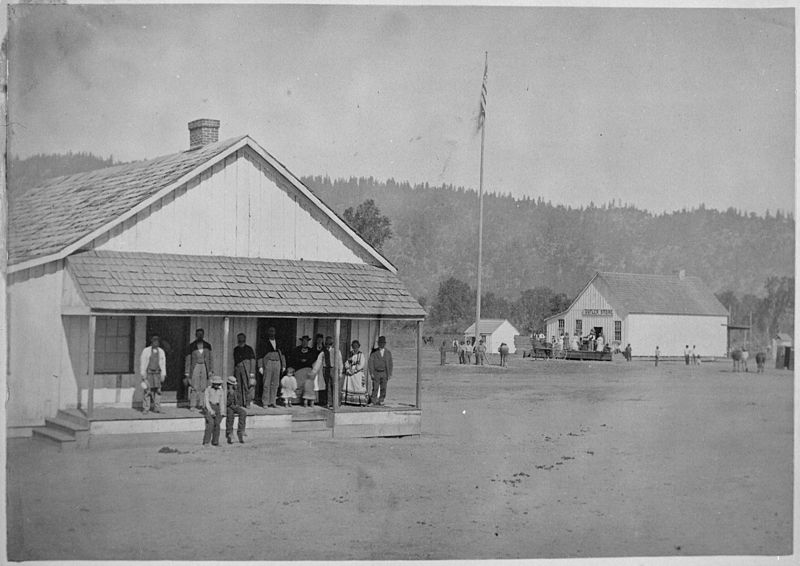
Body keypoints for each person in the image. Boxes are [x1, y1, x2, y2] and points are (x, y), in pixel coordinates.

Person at [185, 329, 214, 411]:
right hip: (195, 366)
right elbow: (188, 359)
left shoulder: (207, 345)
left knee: (203, 386)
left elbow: (210, 358)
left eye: (201, 334)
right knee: (194, 386)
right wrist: (187, 372)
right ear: (196, 335)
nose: (200, 336)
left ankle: (201, 404)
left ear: (203, 335)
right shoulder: (192, 346)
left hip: (205, 366)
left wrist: (211, 369)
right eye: (198, 334)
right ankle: (193, 405)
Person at [258, 327, 286, 408]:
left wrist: (283, 365)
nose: (272, 333)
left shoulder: (279, 342)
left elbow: (282, 354)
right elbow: (260, 355)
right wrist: (260, 366)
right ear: (268, 332)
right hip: (268, 363)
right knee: (267, 383)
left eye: (273, 331)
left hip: (277, 363)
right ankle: (265, 402)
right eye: (270, 331)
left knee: (275, 383)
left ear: (275, 332)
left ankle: (273, 401)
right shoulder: (264, 342)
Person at [312, 335, 342, 408]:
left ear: (332, 344)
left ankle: (336, 402)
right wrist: (314, 371)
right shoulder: (323, 352)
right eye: (327, 344)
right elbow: (319, 361)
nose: (328, 345)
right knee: (327, 386)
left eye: (330, 344)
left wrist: (340, 371)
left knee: (335, 386)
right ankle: (329, 402)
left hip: (334, 369)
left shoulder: (336, 351)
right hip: (326, 369)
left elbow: (340, 361)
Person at [140, 335, 167, 414]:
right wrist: (143, 374)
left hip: (157, 373)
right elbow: (143, 363)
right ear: (151, 342)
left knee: (158, 391)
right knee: (147, 391)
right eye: (154, 341)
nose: (156, 343)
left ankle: (157, 407)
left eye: (157, 341)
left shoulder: (161, 351)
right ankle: (146, 408)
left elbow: (163, 364)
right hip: (149, 373)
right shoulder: (146, 351)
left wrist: (163, 374)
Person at [368, 336, 393, 406]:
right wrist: (371, 373)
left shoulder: (388, 353)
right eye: (380, 343)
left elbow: (390, 364)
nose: (381, 344)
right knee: (375, 387)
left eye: (383, 343)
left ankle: (381, 400)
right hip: (376, 372)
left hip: (384, 373)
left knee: (383, 387)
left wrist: (390, 373)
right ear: (378, 343)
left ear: (385, 344)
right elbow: (370, 363)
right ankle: (373, 401)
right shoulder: (374, 352)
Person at [233, 333, 256, 408]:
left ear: (245, 339)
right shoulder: (236, 349)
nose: (240, 340)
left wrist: (252, 373)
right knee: (238, 386)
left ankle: (247, 402)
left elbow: (252, 360)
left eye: (242, 338)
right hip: (238, 369)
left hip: (246, 370)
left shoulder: (249, 349)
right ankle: (239, 402)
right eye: (239, 339)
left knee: (247, 386)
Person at [342, 340, 368, 406]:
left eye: (356, 346)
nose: (355, 348)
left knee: (358, 387)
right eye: (353, 346)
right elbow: (346, 363)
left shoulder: (361, 355)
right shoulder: (350, 354)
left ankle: (360, 402)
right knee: (350, 386)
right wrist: (348, 369)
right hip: (350, 374)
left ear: (358, 347)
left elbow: (361, 364)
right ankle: (349, 401)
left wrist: (354, 370)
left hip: (357, 374)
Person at [203, 375, 225, 446]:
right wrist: (210, 410)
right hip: (210, 406)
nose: (217, 385)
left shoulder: (221, 391)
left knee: (217, 424)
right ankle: (206, 441)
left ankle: (215, 441)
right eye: (216, 384)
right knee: (210, 423)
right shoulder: (208, 390)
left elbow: (222, 402)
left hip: (217, 407)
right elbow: (206, 401)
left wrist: (222, 411)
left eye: (218, 384)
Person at [225, 375, 246, 444]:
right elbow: (226, 402)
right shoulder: (226, 391)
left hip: (234, 406)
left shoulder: (235, 390)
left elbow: (238, 400)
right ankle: (230, 433)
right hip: (228, 407)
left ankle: (241, 430)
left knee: (243, 412)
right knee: (230, 417)